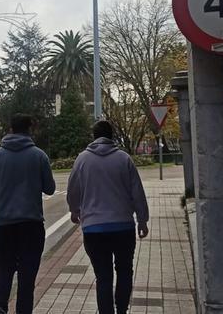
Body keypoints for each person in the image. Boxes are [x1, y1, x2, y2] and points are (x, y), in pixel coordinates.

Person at [67, 121, 150, 314]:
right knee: (124, 271)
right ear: (112, 136)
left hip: (94, 229)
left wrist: (74, 210)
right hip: (123, 226)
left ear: (93, 136)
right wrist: (142, 219)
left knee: (103, 276)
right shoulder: (124, 159)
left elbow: (73, 191)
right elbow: (136, 191)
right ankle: (121, 309)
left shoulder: (82, 160)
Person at [0, 114, 56, 314]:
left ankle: (0, 305)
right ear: (30, 129)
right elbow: (50, 188)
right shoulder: (39, 156)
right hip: (31, 224)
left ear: (10, 129)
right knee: (27, 275)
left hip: (5, 224)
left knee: (5, 267)